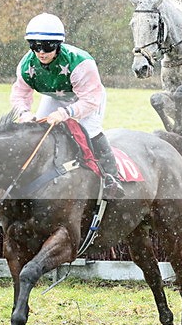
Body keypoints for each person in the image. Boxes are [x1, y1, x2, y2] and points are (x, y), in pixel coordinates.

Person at [10, 13, 125, 199]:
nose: (41, 52)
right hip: (55, 96)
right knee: (37, 130)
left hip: (88, 97)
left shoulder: (80, 63)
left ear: (58, 45)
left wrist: (66, 113)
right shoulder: (26, 65)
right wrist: (24, 114)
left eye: (47, 46)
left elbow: (90, 100)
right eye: (35, 46)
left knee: (89, 130)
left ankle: (112, 178)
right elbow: (19, 95)